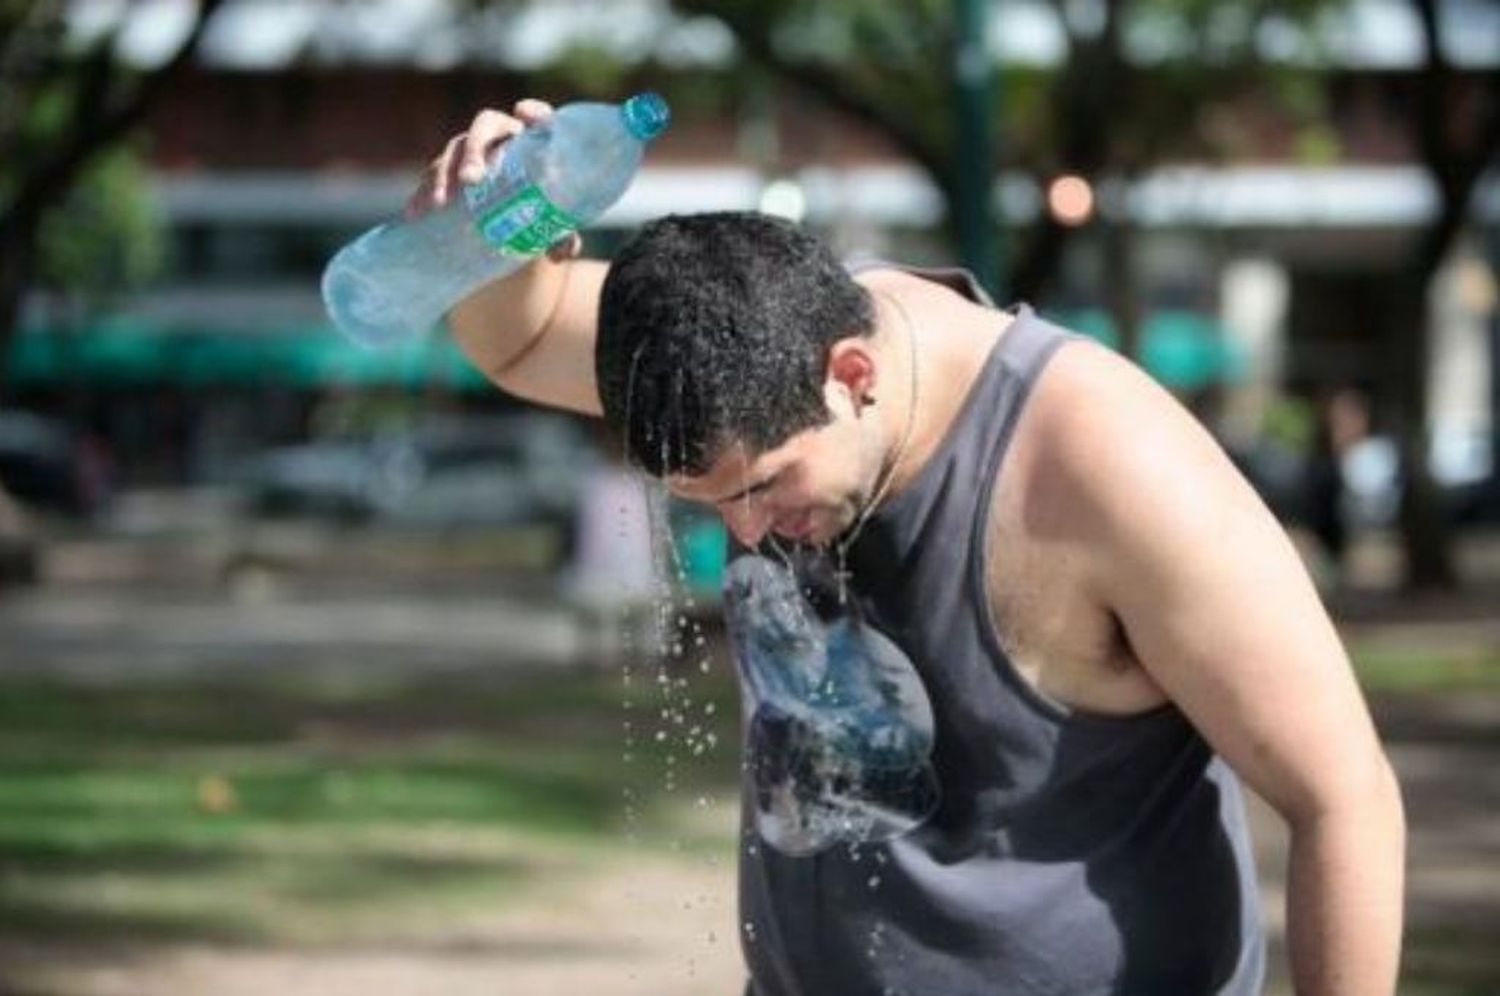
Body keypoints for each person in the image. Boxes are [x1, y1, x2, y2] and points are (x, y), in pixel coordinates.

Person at [407, 99, 1405, 995]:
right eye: (707, 504)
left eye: (763, 487)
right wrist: (498, 225)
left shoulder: (1111, 467)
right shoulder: (724, 344)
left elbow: (1342, 798)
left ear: (851, 375)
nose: (747, 532)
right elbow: (520, 340)